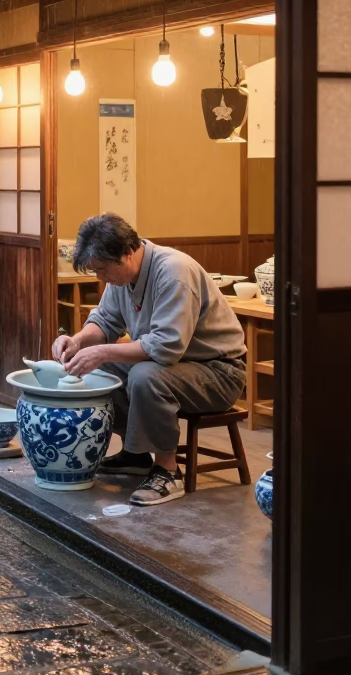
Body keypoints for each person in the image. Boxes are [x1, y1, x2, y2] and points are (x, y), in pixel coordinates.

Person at [52, 213, 246, 506]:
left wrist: (103, 351)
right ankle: (136, 454)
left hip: (219, 373)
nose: (99, 278)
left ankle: (167, 470)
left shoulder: (174, 272)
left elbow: (166, 348)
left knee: (145, 375)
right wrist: (78, 341)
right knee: (100, 368)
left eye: (102, 270)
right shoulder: (121, 276)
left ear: (127, 253)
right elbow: (105, 321)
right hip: (175, 367)